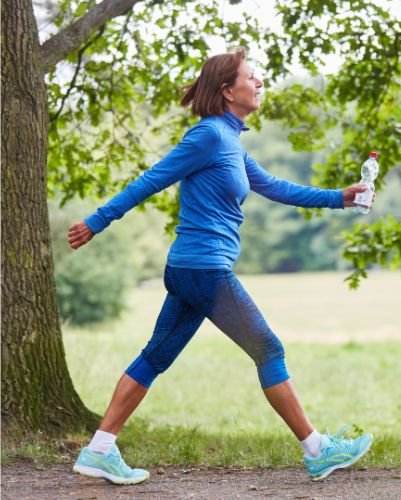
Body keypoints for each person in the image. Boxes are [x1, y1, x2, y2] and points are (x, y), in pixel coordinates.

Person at [68, 48, 373, 485]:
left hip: (192, 270)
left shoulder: (230, 141)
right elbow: (153, 178)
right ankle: (317, 450)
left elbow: (274, 186)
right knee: (268, 350)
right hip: (205, 270)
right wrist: (98, 221)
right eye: (252, 77)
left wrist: (339, 198)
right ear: (228, 90)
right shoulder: (208, 136)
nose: (260, 82)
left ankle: (99, 450)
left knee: (156, 356)